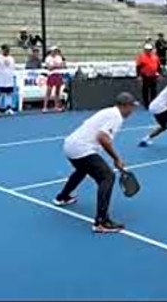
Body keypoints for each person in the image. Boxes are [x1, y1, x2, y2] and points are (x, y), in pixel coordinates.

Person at [53, 92, 139, 233]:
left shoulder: (109, 111)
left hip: (69, 146)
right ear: (126, 106)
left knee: (82, 169)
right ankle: (101, 222)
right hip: (81, 148)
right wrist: (116, 158)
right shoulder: (117, 117)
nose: (133, 110)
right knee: (107, 177)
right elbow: (103, 138)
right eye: (132, 107)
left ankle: (62, 197)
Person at [0, 44, 16, 116]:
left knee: (9, 94)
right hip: (0, 79)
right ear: (2, 50)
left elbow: (12, 68)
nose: (8, 51)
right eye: (6, 50)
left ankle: (8, 108)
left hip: (9, 79)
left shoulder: (11, 58)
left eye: (8, 50)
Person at [136, 43, 161, 109]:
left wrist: (159, 74)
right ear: (145, 50)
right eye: (147, 50)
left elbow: (158, 66)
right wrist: (139, 76)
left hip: (153, 76)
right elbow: (138, 67)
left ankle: (153, 103)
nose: (149, 51)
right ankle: (146, 104)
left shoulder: (155, 56)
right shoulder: (142, 57)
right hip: (145, 76)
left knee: (154, 91)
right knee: (145, 91)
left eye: (150, 50)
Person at [43, 46, 66, 113]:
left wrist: (55, 66)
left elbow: (62, 66)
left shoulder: (59, 57)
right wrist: (57, 66)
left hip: (58, 74)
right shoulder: (48, 58)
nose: (55, 52)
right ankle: (45, 107)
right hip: (51, 75)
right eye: (54, 50)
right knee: (48, 91)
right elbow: (49, 67)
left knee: (57, 92)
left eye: (56, 50)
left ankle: (56, 107)